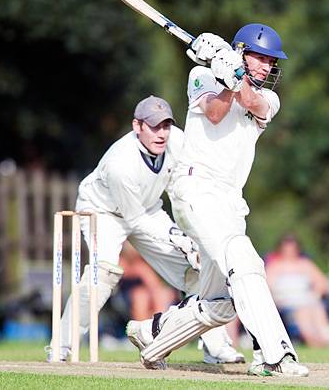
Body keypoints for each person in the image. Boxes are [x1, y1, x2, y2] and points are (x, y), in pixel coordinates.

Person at [128, 24, 309, 377]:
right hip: (196, 189)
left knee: (221, 305)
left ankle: (151, 338)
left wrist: (235, 74)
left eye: (270, 62)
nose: (265, 67)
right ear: (241, 51)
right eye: (258, 58)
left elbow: (254, 102)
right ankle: (275, 356)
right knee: (244, 260)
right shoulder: (202, 74)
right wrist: (225, 76)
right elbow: (213, 112)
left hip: (230, 200)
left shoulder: (269, 98)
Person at [45, 95, 244, 367]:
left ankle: (216, 347)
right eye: (154, 127)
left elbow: (185, 188)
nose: (161, 134)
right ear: (137, 126)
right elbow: (134, 219)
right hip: (103, 212)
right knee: (102, 274)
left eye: (165, 126)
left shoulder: (177, 141)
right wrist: (175, 237)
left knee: (196, 272)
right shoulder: (120, 163)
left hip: (149, 209)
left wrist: (192, 236)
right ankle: (62, 346)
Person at [266, 234, 329, 348]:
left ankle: (325, 338)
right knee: (304, 310)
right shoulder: (274, 266)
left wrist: (317, 292)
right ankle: (314, 340)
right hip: (285, 301)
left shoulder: (305, 264)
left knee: (316, 307)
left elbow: (324, 284)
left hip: (307, 299)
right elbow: (267, 288)